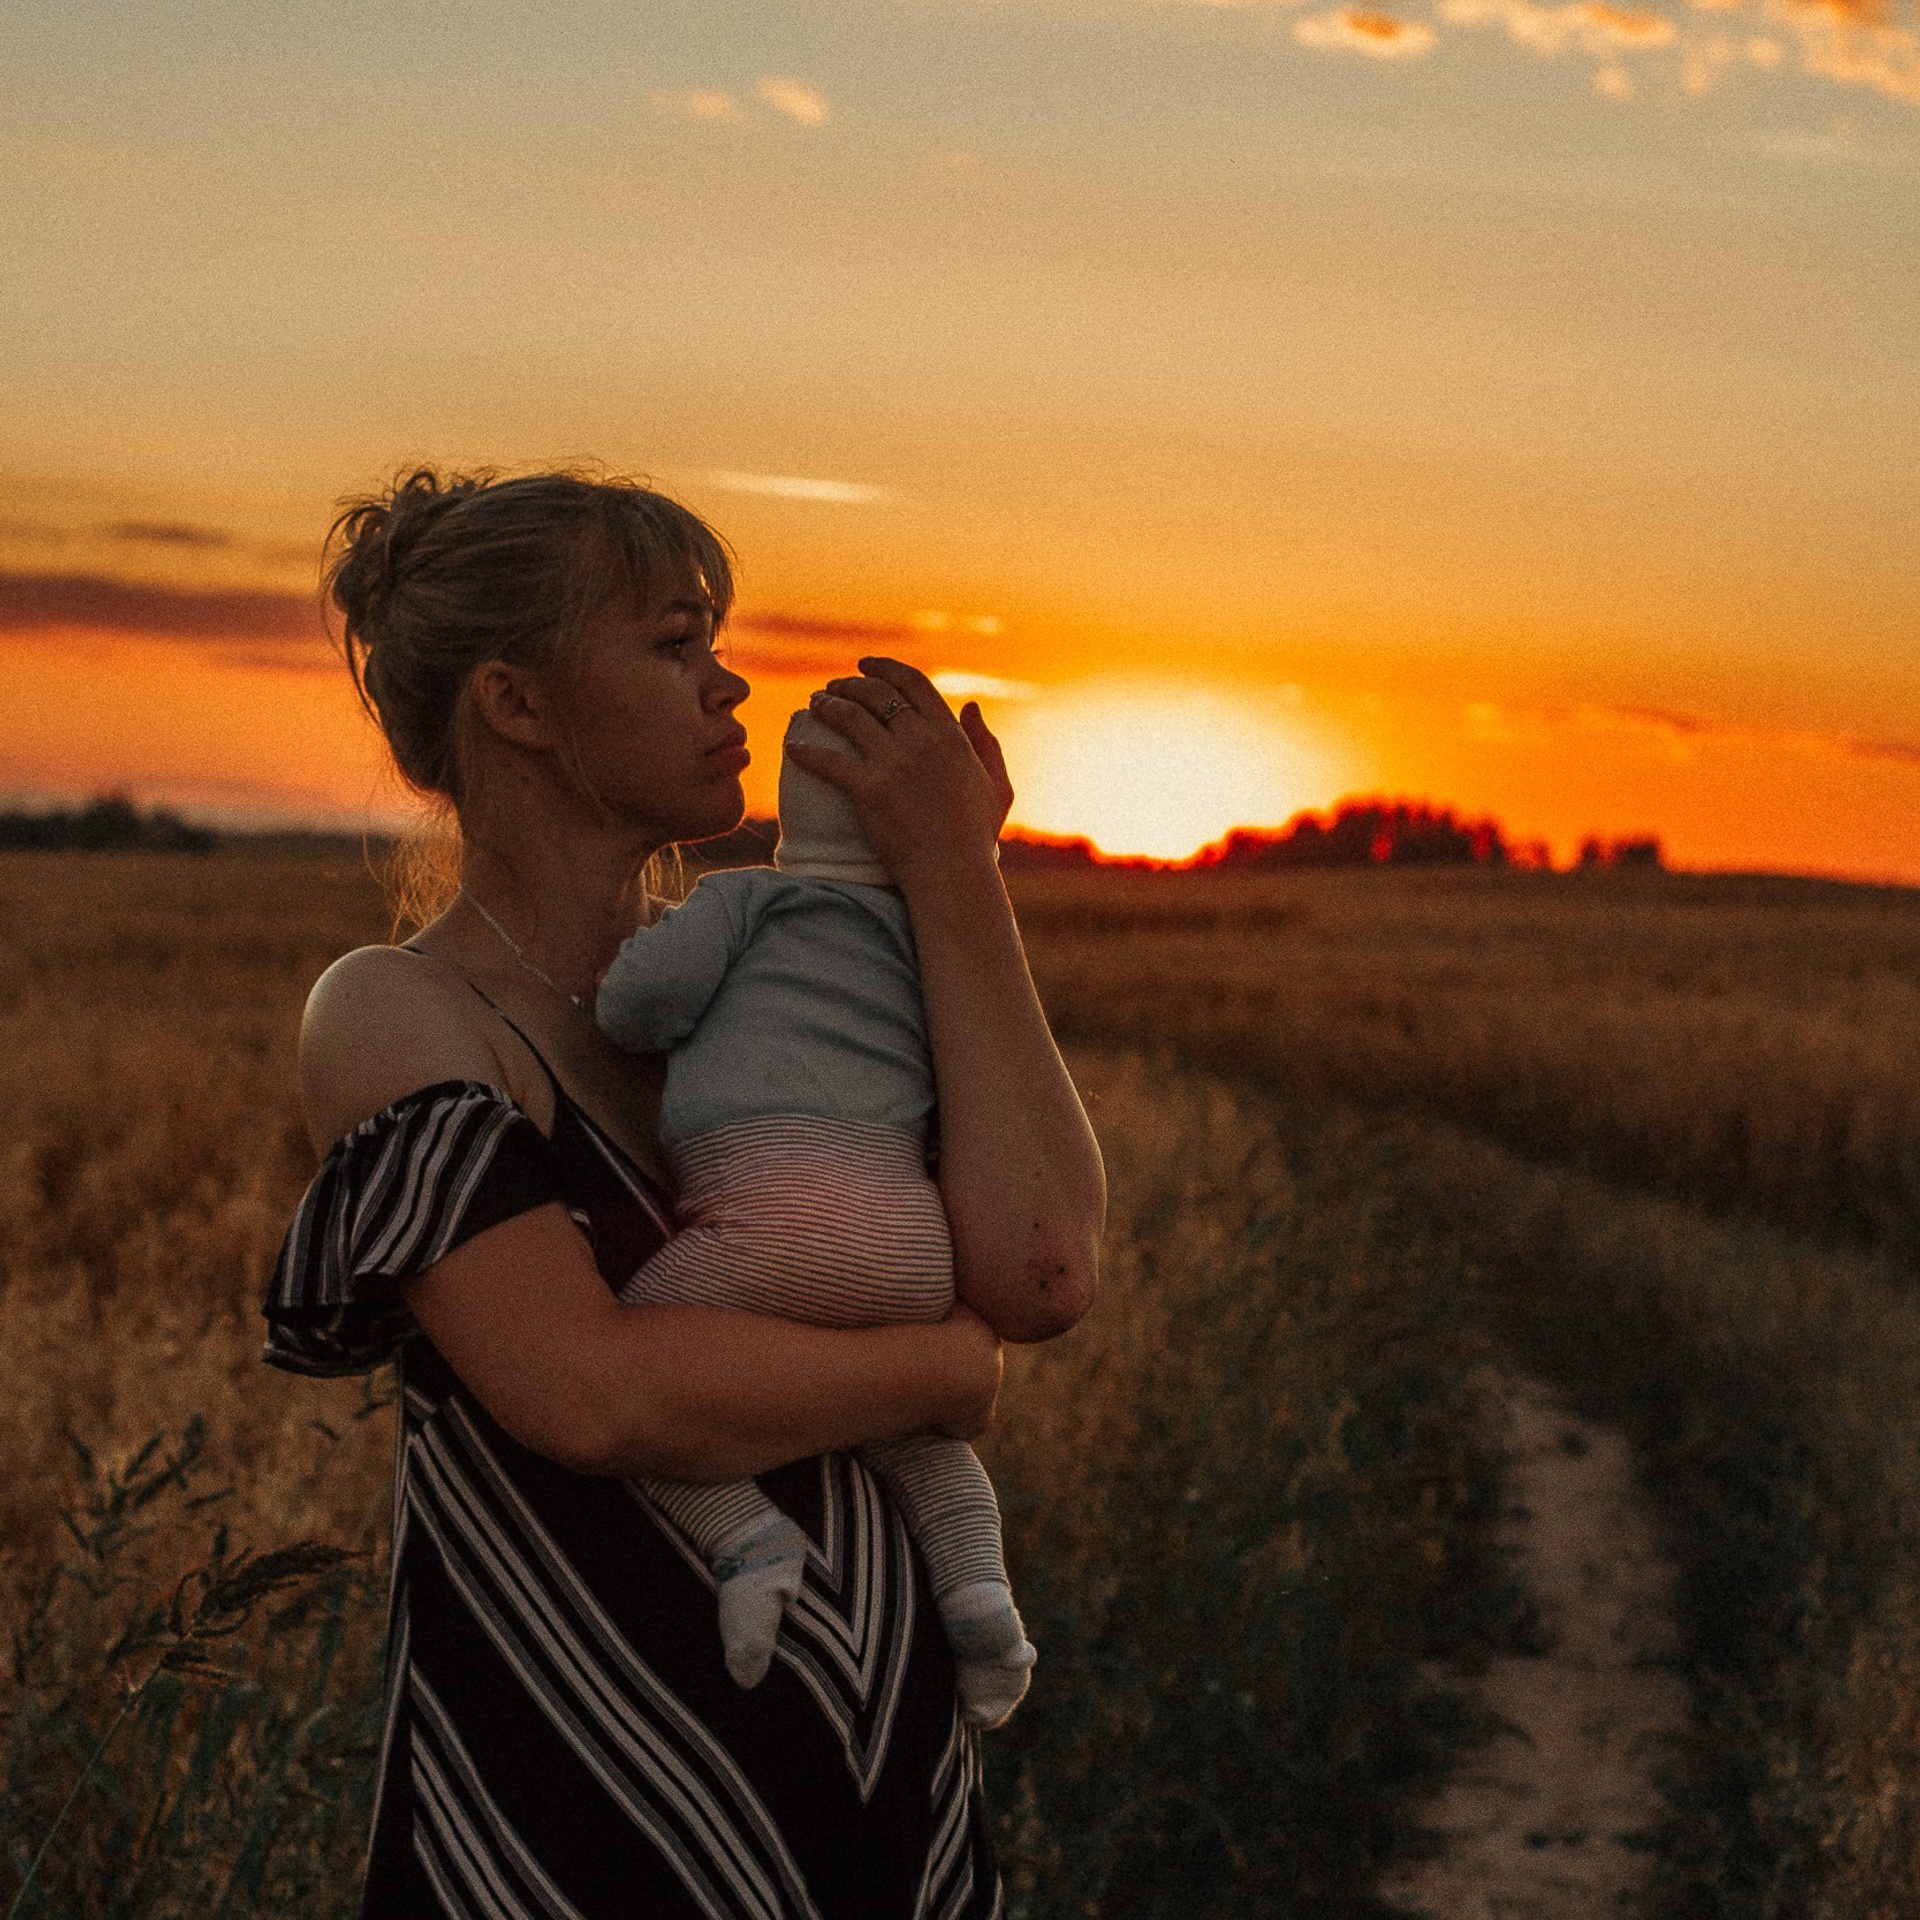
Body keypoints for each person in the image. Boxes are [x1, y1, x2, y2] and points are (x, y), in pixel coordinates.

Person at [261, 467, 1105, 1920]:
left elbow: (1042, 1272)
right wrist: (936, 1368)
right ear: (517, 704)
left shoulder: (773, 969)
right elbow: (596, 1395)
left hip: (875, 1789)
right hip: (580, 1816)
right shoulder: (403, 1011)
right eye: (672, 643)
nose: (730, 687)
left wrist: (956, 874)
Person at [596, 705, 1037, 1729]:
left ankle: (747, 1538)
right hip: (912, 1253)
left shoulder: (750, 898)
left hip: (768, 1223)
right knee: (919, 1438)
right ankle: (980, 1596)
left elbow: (633, 1009)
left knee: (643, 1368)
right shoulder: (931, 942)